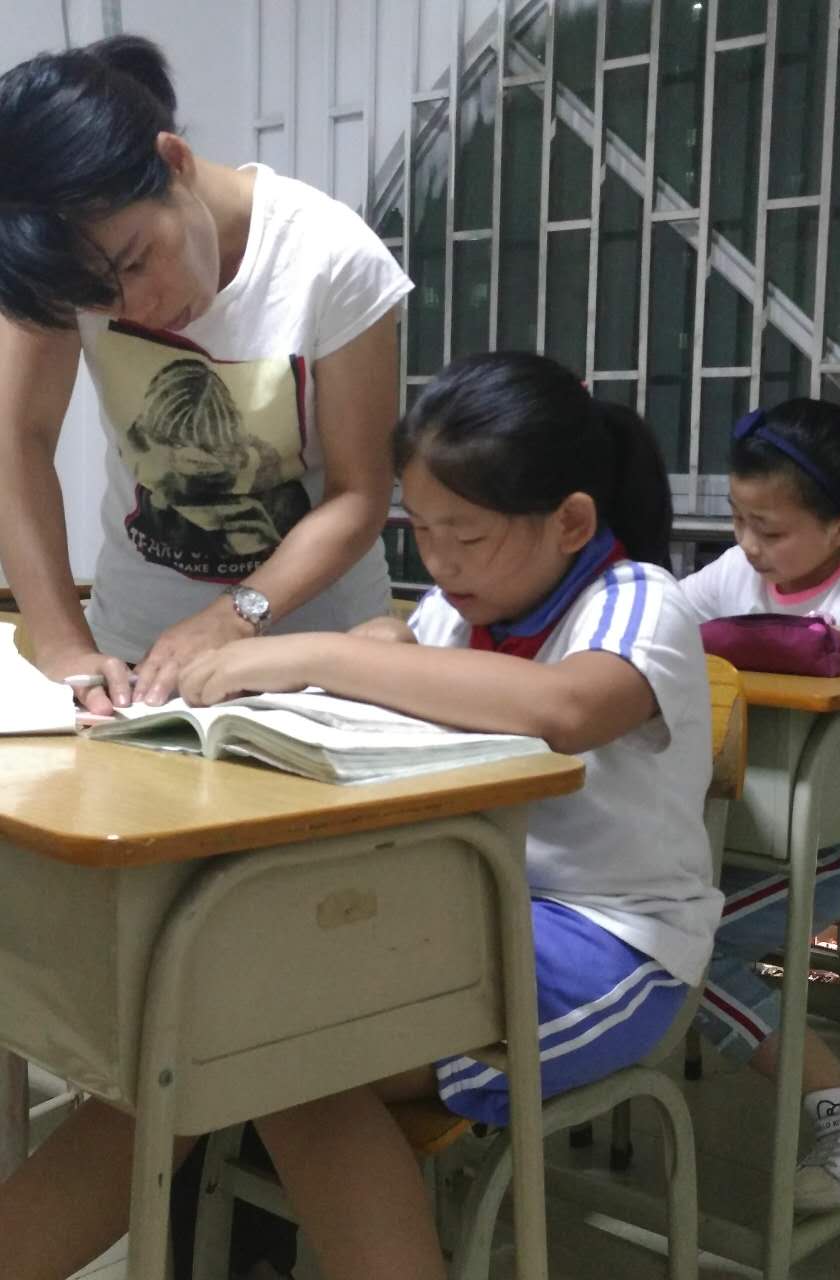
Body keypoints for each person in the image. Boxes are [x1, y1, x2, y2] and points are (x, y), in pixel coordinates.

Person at [0, 353, 721, 1280]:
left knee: (274, 1047)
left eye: (466, 535)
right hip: (461, 912)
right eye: (421, 532)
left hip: (614, 948)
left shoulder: (636, 603)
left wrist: (320, 656)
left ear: (572, 521)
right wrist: (373, 641)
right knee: (214, 1033)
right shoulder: (461, 615)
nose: (440, 562)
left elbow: (566, 709)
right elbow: (410, 654)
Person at [0, 33, 411, 717]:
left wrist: (235, 615)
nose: (140, 307)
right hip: (133, 662)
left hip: (319, 669)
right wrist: (63, 646)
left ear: (175, 161)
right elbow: (17, 438)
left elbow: (358, 495)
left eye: (137, 262)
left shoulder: (328, 259)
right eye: (100, 301)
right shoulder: (60, 262)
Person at [679, 397, 840, 1213]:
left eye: (771, 528)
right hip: (751, 836)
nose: (749, 547)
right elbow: (661, 623)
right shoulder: (742, 571)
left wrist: (806, 642)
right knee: (648, 915)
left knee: (678, 940)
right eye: (739, 521)